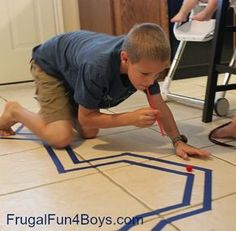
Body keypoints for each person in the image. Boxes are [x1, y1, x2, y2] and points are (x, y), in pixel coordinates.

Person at [0, 23, 209, 160]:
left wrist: (177, 141)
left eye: (157, 74)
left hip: (75, 68)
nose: (151, 81)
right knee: (60, 137)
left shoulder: (146, 64)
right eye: (146, 74)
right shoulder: (97, 67)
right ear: (125, 58)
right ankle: (15, 110)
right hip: (50, 65)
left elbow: (159, 105)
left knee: (89, 133)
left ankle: (59, 107)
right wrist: (129, 118)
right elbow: (87, 117)